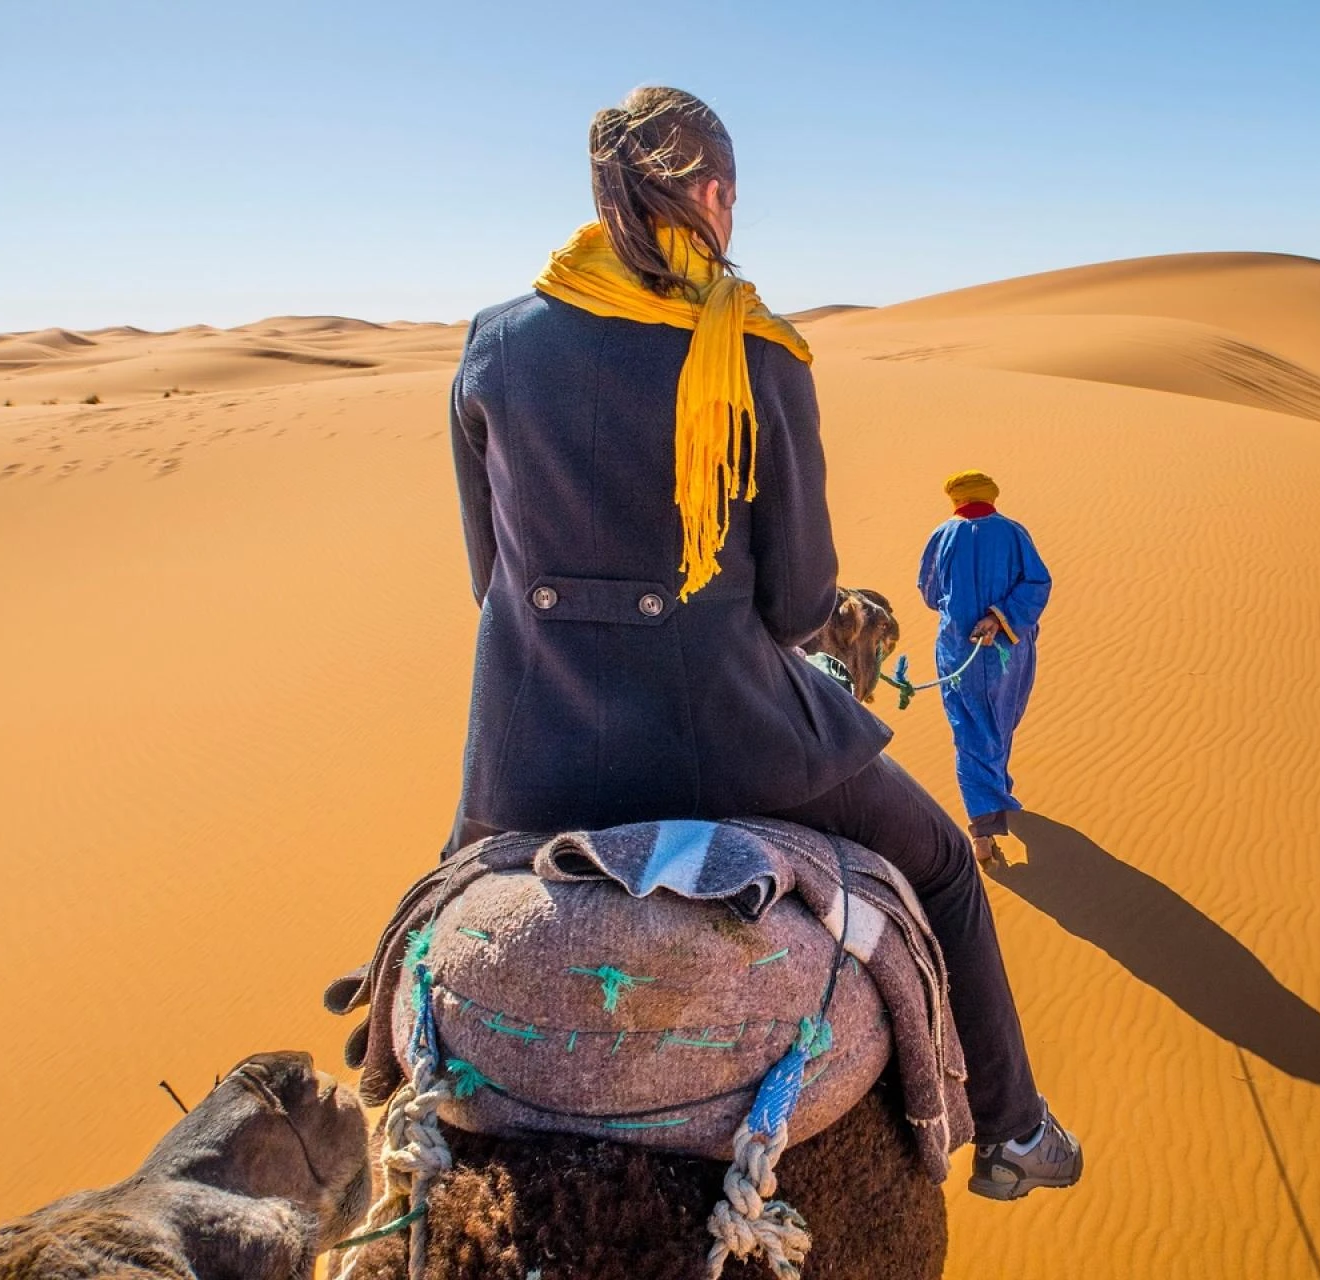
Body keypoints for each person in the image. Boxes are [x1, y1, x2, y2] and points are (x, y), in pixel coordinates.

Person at [443, 87, 1079, 1200]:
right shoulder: (759, 352)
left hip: (531, 755)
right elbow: (795, 606)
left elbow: (486, 579)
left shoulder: (493, 348)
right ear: (716, 195)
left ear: (603, 196)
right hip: (729, 743)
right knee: (939, 863)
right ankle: (1016, 1126)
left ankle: (377, 1057)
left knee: (431, 908)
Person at [918, 471, 1052, 864]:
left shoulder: (942, 536)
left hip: (958, 652)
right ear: (992, 496)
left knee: (970, 732)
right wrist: (1000, 616)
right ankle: (983, 829)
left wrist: (963, 611)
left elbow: (928, 591)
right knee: (997, 724)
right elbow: (1038, 582)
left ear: (955, 499)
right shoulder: (1013, 533)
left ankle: (988, 814)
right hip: (1006, 654)